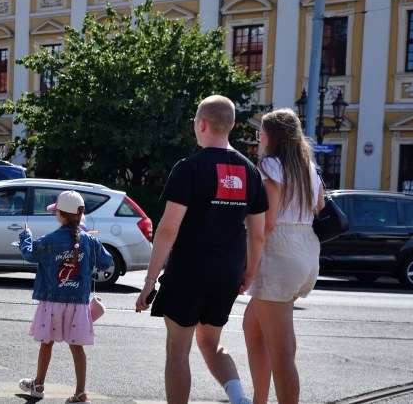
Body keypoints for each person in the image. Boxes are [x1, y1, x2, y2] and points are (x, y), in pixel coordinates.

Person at [135, 94, 268, 404]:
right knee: (211, 344)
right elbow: (258, 235)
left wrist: (150, 281)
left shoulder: (189, 168)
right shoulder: (251, 172)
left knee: (178, 350)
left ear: (201, 124)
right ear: (232, 125)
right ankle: (239, 400)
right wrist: (249, 273)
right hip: (227, 272)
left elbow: (168, 229)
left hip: (189, 271)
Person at [242, 109, 324, 404]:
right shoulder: (308, 167)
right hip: (305, 251)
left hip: (280, 253)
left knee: (282, 350)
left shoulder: (271, 166)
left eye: (261, 132)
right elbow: (320, 205)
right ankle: (258, 400)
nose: (258, 138)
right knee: (252, 328)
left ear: (272, 136)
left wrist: (249, 267)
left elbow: (268, 223)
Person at [17, 190, 113, 403]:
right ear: (80, 215)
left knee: (46, 343)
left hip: (52, 302)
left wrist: (25, 236)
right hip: (77, 304)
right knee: (76, 346)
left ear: (59, 214)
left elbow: (29, 254)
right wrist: (93, 243)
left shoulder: (49, 240)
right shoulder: (89, 241)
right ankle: (81, 393)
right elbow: (106, 262)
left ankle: (39, 385)